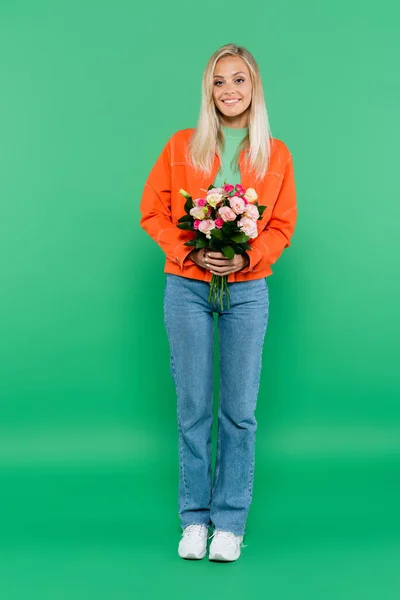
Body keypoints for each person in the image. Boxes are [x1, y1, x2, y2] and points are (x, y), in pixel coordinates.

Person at [139, 43, 297, 562]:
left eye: (239, 80)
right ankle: (194, 520)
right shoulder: (182, 145)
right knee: (192, 408)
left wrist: (245, 259)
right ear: (208, 90)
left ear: (255, 88)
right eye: (219, 81)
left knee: (239, 411)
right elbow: (153, 212)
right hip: (185, 287)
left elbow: (280, 226)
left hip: (248, 292)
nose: (229, 90)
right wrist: (193, 250)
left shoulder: (276, 153)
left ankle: (229, 523)